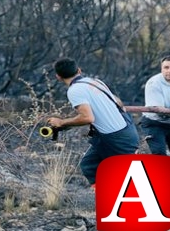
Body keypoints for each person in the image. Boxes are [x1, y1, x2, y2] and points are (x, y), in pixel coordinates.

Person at [47, 58, 139, 190]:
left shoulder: (74, 90)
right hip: (125, 130)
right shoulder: (95, 82)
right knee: (90, 164)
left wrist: (60, 122)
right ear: (79, 70)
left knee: (132, 176)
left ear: (58, 77)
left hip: (117, 139)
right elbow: (118, 103)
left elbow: (87, 117)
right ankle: (108, 197)